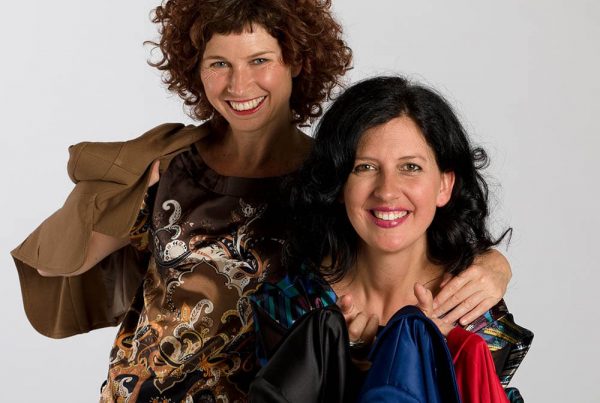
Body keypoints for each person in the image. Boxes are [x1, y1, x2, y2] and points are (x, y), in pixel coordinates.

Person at [10, 1, 512, 401]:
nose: (239, 85)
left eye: (259, 60)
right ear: (195, 70)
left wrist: (494, 265)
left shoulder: (333, 178)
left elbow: (401, 237)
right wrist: (121, 178)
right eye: (219, 64)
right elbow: (56, 262)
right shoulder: (170, 169)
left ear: (297, 60)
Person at [249, 76, 533, 402]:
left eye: (410, 167)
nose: (386, 191)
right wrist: (342, 366)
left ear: (444, 185)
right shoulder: (294, 304)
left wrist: (440, 359)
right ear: (339, 185)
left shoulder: (472, 309)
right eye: (365, 167)